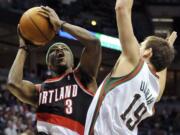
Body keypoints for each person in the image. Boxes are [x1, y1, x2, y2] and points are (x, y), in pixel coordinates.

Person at [84, 0, 177, 135]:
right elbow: (161, 71)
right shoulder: (155, 91)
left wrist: (166, 47)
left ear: (147, 52)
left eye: (141, 45)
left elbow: (122, 8)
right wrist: (167, 49)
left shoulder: (134, 61)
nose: (137, 47)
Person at [7, 6, 101, 135]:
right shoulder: (41, 90)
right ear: (49, 65)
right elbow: (13, 84)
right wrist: (23, 47)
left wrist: (61, 24)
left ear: (73, 62)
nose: (59, 50)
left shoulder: (83, 77)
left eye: (64, 49)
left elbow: (94, 43)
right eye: (53, 50)